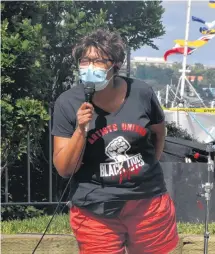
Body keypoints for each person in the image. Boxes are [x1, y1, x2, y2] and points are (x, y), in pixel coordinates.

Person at [52, 29, 179, 254]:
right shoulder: (68, 102)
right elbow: (64, 168)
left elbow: (159, 133)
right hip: (95, 209)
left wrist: (145, 169)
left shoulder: (142, 92)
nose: (90, 67)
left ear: (116, 64)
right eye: (85, 60)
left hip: (147, 203)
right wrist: (81, 129)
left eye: (98, 61)